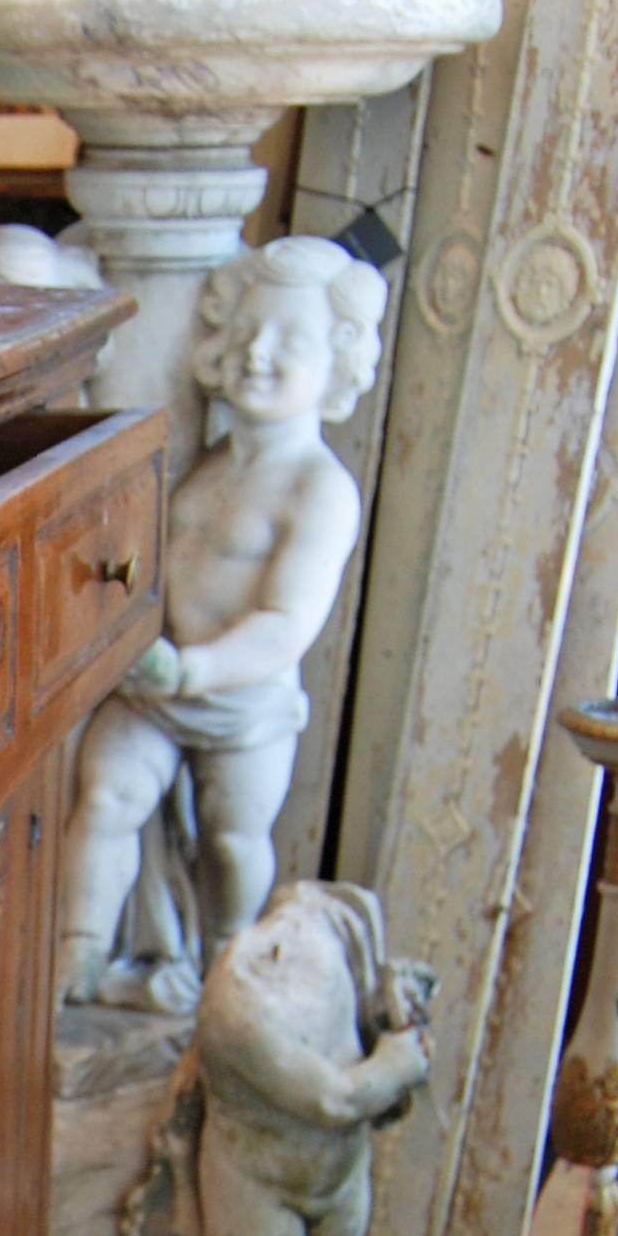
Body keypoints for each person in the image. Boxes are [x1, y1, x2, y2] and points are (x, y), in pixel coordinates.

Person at [58, 236, 386, 1008]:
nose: (256, 353)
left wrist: (195, 669)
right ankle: (78, 960)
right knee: (105, 799)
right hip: (155, 690)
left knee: (231, 842)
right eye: (244, 331)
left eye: (287, 339)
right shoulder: (203, 466)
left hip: (244, 706)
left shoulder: (317, 488)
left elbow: (286, 623)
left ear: (337, 363)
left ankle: (226, 968)